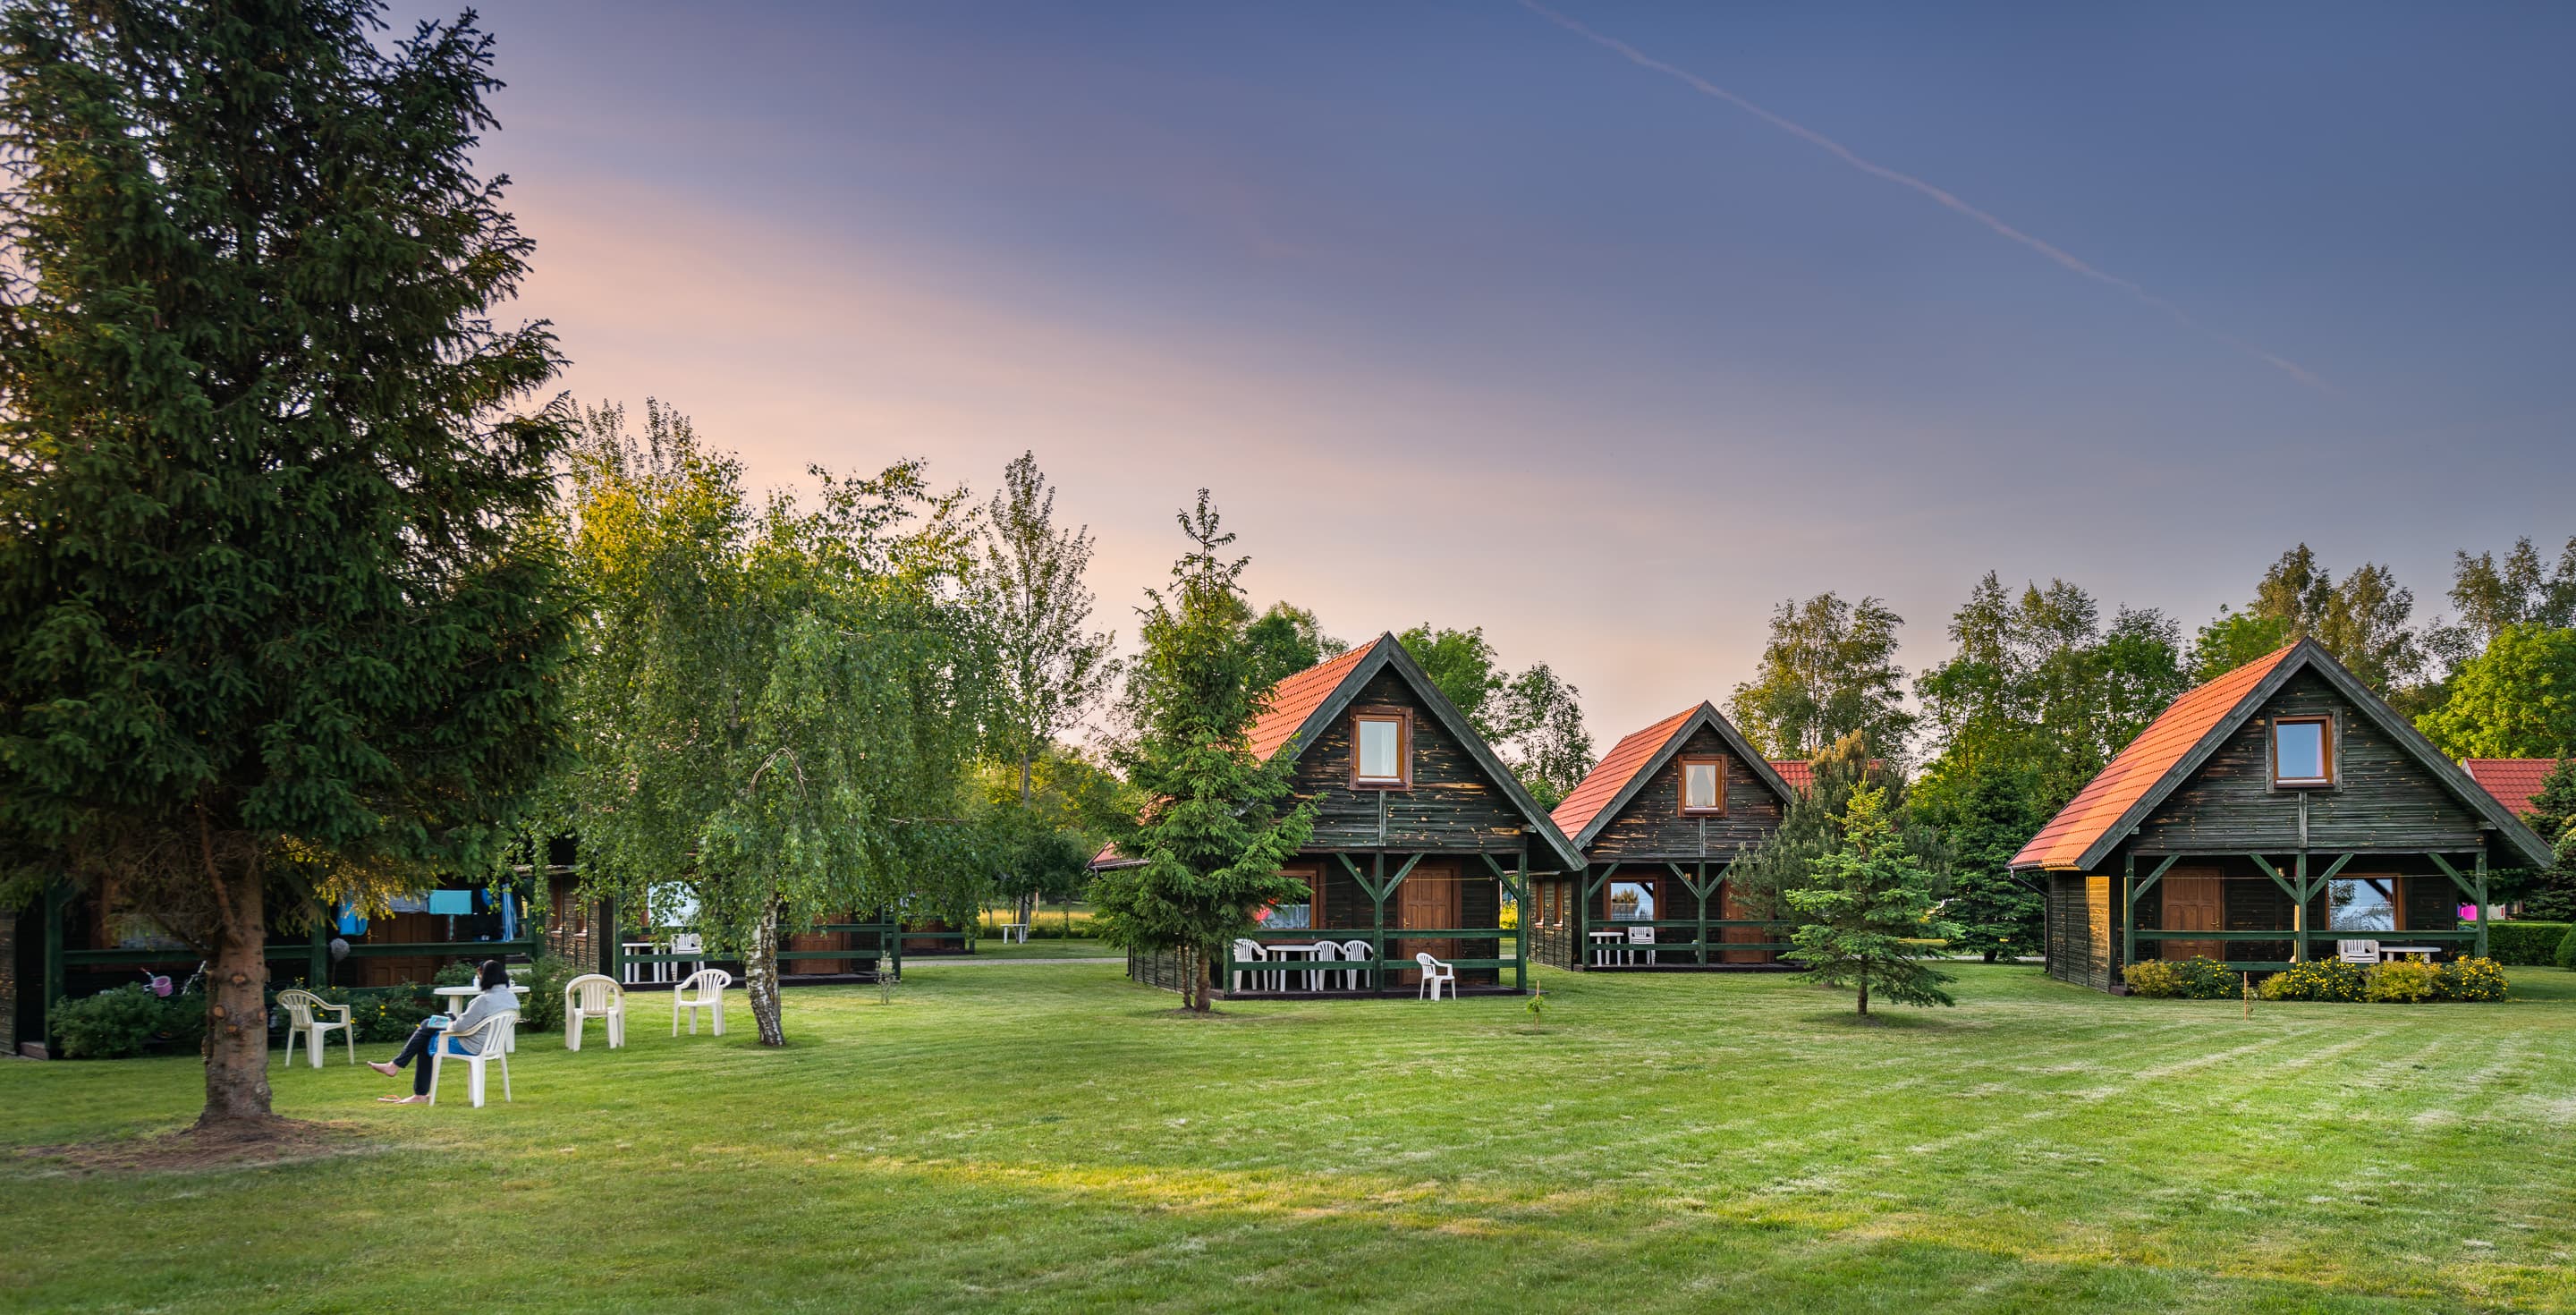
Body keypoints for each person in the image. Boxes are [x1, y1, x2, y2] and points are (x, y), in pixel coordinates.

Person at [369, 959, 517, 1104]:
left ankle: (410, 1084)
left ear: (484, 977)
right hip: (492, 1045)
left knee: (426, 1033)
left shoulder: (483, 1000)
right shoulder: (512, 998)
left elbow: (460, 1027)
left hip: (470, 1045)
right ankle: (398, 1070)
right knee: (428, 1026)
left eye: (479, 976)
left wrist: (450, 1024)